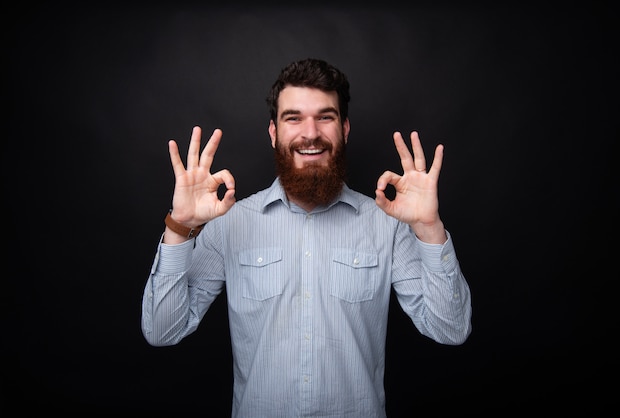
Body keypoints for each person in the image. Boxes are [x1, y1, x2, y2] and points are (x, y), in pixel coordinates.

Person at [141, 58, 472, 417]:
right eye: (293, 118)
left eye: (325, 117)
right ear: (273, 132)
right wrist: (179, 227)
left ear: (345, 129)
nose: (310, 133)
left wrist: (429, 229)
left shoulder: (387, 224)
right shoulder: (230, 223)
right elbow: (162, 331)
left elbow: (450, 329)